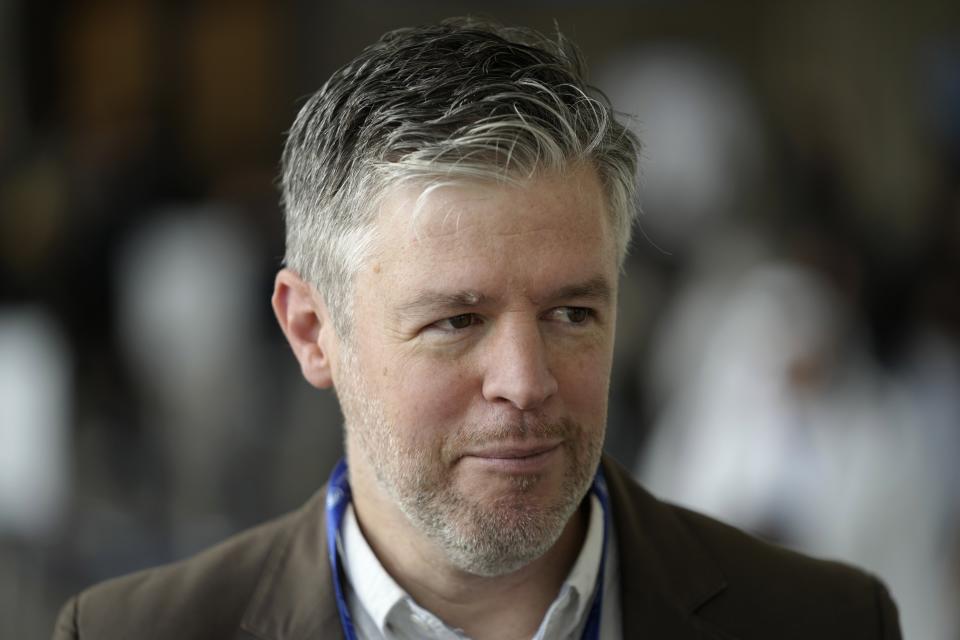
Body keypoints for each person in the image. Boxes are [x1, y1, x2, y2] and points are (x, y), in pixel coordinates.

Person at [53, 18, 901, 640]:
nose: (526, 381)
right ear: (314, 331)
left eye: (572, 313)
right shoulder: (131, 633)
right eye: (457, 320)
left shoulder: (824, 623)